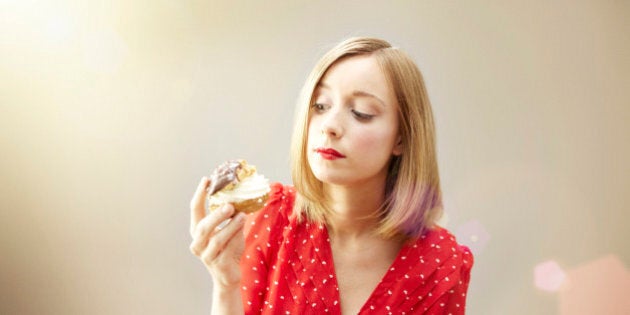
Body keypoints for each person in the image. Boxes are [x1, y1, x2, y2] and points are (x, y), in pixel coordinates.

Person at [189, 37, 473, 314]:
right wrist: (226, 284)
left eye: (361, 113)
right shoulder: (271, 217)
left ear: (401, 137)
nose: (330, 126)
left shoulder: (439, 262)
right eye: (321, 106)